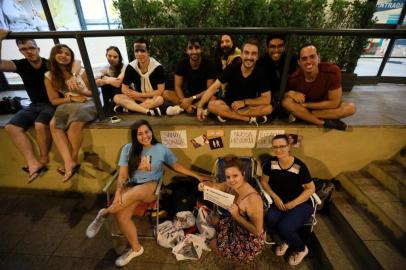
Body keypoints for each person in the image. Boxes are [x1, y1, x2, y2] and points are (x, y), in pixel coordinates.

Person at [85, 119, 212, 267]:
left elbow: (176, 166)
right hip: (131, 187)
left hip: (151, 187)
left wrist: (197, 175)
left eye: (147, 131)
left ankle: (104, 213)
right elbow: (123, 174)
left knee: (136, 192)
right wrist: (118, 191)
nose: (145, 136)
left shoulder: (160, 149)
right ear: (135, 136)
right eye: (140, 134)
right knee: (121, 216)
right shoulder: (128, 149)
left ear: (151, 131)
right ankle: (136, 249)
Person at [0, 28, 54, 183]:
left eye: (31, 48)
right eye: (24, 49)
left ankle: (43, 160)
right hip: (34, 105)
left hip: (51, 104)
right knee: (11, 127)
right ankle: (32, 162)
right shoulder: (21, 65)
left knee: (40, 125)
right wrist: (1, 39)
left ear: (37, 48)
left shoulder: (49, 64)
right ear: (20, 51)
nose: (29, 52)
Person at [44, 44, 97, 182]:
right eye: (60, 53)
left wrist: (80, 91)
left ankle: (73, 159)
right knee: (53, 124)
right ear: (53, 56)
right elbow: (54, 101)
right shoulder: (49, 76)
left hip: (88, 101)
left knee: (75, 123)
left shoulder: (79, 70)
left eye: (67, 54)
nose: (64, 56)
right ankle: (68, 161)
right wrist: (72, 98)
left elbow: (94, 94)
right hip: (68, 103)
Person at [260, 134, 315, 266]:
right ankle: (287, 240)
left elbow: (310, 188)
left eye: (282, 146)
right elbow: (264, 182)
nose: (278, 150)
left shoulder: (299, 166)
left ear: (289, 146)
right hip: (280, 202)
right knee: (270, 219)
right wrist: (275, 197)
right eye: (275, 147)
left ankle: (302, 249)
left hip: (300, 204)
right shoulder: (271, 163)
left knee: (285, 226)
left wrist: (293, 203)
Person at [198, 155, 265, 263]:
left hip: (248, 238)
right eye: (228, 177)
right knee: (213, 220)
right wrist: (204, 185)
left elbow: (257, 232)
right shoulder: (231, 185)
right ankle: (225, 236)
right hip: (235, 224)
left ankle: (235, 254)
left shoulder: (253, 198)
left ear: (243, 174)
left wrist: (236, 216)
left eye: (235, 176)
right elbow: (215, 186)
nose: (231, 180)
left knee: (212, 244)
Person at [197, 39, 273, 124]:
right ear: (241, 54)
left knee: (269, 108)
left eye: (253, 54)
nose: (249, 57)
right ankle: (249, 119)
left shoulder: (261, 73)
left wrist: (244, 102)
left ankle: (227, 115)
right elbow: (214, 87)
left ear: (257, 56)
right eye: (246, 53)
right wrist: (200, 106)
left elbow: (266, 99)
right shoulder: (232, 68)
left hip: (248, 106)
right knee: (211, 105)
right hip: (229, 105)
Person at [282, 44, 356, 131]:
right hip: (315, 111)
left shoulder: (332, 71)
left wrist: (305, 106)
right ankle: (324, 123)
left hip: (323, 108)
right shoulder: (294, 78)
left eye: (312, 57)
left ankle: (304, 117)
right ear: (299, 62)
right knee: (286, 102)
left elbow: (334, 103)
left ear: (318, 58)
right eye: (304, 58)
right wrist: (291, 93)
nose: (308, 61)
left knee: (350, 108)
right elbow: (284, 97)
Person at [163, 38, 216, 115]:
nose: (194, 51)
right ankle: (189, 108)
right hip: (186, 96)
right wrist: (184, 101)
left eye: (197, 48)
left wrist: (191, 99)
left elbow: (209, 90)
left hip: (202, 97)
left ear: (201, 49)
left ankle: (185, 108)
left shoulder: (209, 65)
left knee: (213, 97)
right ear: (187, 51)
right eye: (191, 48)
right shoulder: (182, 63)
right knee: (166, 93)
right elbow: (177, 86)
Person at [113, 38, 164, 116]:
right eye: (136, 51)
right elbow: (124, 88)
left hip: (152, 97)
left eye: (142, 51)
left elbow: (160, 91)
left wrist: (139, 95)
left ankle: (130, 109)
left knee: (160, 99)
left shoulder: (157, 67)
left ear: (148, 52)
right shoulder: (131, 67)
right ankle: (147, 111)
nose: (139, 54)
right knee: (116, 97)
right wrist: (140, 98)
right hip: (138, 99)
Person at [257, 35, 297, 109]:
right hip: (269, 99)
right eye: (272, 46)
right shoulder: (261, 63)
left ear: (284, 47)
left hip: (288, 98)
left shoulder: (292, 59)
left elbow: (296, 82)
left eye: (279, 46)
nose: (276, 50)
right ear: (267, 48)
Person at [95, 46, 126, 116]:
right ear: (106, 56)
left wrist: (104, 78)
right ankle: (107, 106)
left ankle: (110, 107)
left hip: (123, 93)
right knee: (105, 84)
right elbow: (95, 82)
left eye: (115, 57)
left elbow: (118, 82)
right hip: (111, 96)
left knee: (111, 83)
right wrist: (106, 80)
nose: (112, 58)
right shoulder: (105, 68)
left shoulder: (124, 67)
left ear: (119, 58)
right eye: (109, 56)